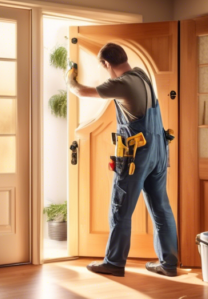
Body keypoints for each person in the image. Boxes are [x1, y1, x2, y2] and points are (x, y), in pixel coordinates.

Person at [65, 43, 178, 277]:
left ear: (106, 63)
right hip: (159, 150)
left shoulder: (121, 83)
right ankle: (168, 264)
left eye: (104, 67)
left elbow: (81, 91)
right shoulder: (142, 75)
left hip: (137, 153)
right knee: (161, 208)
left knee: (120, 209)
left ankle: (114, 262)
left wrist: (70, 77)